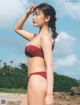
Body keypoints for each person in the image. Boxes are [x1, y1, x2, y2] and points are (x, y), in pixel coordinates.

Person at [14, 2, 58, 105]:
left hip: (38, 80)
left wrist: (49, 94)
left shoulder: (45, 37)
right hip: (32, 80)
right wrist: (27, 14)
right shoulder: (36, 37)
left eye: (37, 14)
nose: (33, 17)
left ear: (47, 18)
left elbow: (49, 66)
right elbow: (17, 29)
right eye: (33, 15)